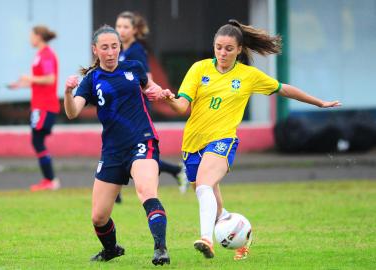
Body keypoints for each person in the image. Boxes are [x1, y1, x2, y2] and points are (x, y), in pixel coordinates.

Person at [160, 19, 341, 260]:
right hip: (193, 144)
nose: (223, 53)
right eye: (218, 47)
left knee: (204, 185)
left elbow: (283, 89)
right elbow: (182, 107)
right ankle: (242, 236)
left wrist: (319, 102)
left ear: (239, 50)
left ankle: (206, 239)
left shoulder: (248, 76)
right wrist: (169, 99)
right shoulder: (199, 69)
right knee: (214, 206)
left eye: (229, 48)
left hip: (223, 140)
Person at [63, 25, 170, 265]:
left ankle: (160, 249)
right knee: (99, 216)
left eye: (114, 46)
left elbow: (148, 88)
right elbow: (73, 112)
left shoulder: (134, 68)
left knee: (146, 192)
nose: (110, 52)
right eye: (105, 47)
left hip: (142, 140)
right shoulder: (91, 80)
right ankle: (111, 250)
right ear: (95, 50)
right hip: (112, 150)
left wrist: (158, 92)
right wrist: (68, 92)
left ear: (119, 47)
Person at [115, 11, 188, 195]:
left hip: (136, 108)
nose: (121, 30)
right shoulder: (121, 51)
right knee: (122, 147)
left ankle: (115, 192)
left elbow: (147, 79)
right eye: (118, 26)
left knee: (130, 150)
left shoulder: (137, 50)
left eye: (125, 27)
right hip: (124, 108)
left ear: (134, 30)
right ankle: (177, 171)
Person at [9, 25, 60, 191]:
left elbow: (50, 79)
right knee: (37, 140)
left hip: (45, 105)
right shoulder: (40, 55)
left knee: (37, 140)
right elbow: (40, 81)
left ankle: (50, 180)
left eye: (31, 35)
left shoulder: (46, 55)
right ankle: (49, 180)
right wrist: (21, 84)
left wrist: (29, 77)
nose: (30, 39)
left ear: (38, 36)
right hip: (39, 105)